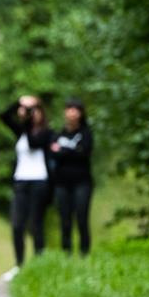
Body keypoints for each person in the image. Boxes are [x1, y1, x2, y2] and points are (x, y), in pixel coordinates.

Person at [0, 95, 54, 279]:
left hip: (39, 180)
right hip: (21, 180)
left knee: (36, 224)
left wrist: (28, 119)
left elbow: (33, 142)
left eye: (35, 110)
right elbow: (3, 116)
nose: (31, 114)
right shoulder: (21, 131)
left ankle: (39, 263)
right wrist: (19, 102)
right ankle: (19, 265)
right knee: (17, 224)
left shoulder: (46, 133)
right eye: (30, 111)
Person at [49, 98, 95, 255]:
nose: (72, 113)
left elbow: (84, 153)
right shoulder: (59, 133)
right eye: (69, 109)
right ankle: (66, 253)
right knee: (65, 220)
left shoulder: (85, 133)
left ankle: (84, 253)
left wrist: (63, 151)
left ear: (81, 113)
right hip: (62, 183)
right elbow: (52, 154)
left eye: (76, 109)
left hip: (82, 182)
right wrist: (71, 151)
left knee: (81, 218)